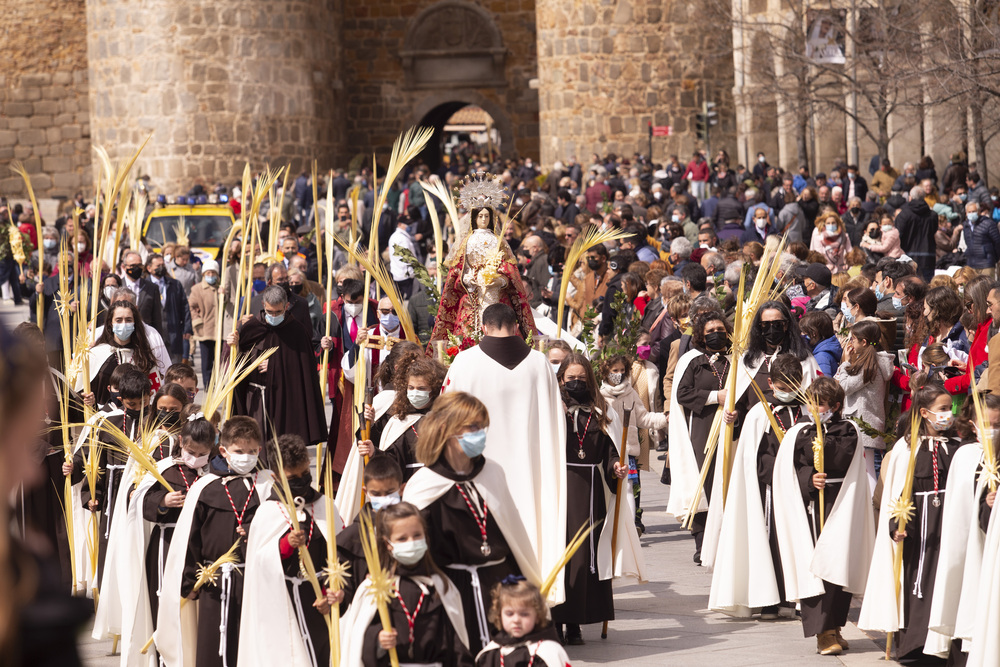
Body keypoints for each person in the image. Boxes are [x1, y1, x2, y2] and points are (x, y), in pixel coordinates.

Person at [442, 304, 566, 608]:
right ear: (516, 327)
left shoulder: (465, 362)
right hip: (532, 471)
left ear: (483, 328)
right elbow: (556, 422)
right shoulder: (539, 364)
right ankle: (534, 600)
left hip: (479, 469)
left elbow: (445, 417)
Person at [401, 392, 542, 653]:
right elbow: (412, 552)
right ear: (446, 429)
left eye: (482, 427)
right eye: (473, 427)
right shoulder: (423, 483)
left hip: (500, 590)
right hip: (451, 592)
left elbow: (512, 535)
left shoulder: (493, 472)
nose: (480, 434)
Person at [0, 322, 93, 664]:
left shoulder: (54, 377)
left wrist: (86, 403)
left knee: (54, 527)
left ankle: (63, 571)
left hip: (54, 464)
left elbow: (77, 417)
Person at [155, 416, 275, 667]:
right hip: (213, 582)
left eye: (252, 451)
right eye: (239, 451)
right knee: (213, 648)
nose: (246, 456)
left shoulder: (268, 484)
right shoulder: (205, 487)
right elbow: (190, 538)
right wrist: (189, 581)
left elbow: (279, 527)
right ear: (223, 450)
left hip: (256, 579)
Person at [859, 382, 966, 662]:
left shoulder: (956, 447)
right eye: (942, 409)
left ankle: (944, 642)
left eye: (950, 409)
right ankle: (914, 644)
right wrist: (897, 525)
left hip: (949, 523)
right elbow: (897, 492)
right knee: (917, 581)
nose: (948, 414)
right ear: (924, 412)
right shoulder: (906, 449)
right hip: (919, 527)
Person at [773, 377, 875, 656]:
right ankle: (822, 632)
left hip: (840, 503)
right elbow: (793, 467)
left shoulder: (847, 429)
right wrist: (808, 479)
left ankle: (835, 626)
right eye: (811, 402)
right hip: (811, 506)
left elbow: (841, 458)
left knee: (837, 564)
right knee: (817, 566)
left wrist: (821, 439)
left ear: (836, 406)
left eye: (821, 403)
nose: (815, 408)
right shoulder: (799, 433)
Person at [118, 410, 217, 665]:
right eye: (191, 452)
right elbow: (139, 499)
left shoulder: (215, 473)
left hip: (201, 550)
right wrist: (162, 501)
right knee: (164, 601)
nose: (195, 459)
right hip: (167, 543)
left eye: (201, 454)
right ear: (182, 443)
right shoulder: (164, 468)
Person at [710, 354, 804, 620]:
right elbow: (755, 455)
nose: (788, 393)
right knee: (772, 540)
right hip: (769, 488)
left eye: (793, 386)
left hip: (800, 486)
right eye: (783, 388)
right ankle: (769, 601)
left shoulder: (806, 409)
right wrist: (779, 469)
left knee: (797, 541)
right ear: (771, 383)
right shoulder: (760, 413)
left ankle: (792, 598)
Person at [240, 433, 342, 667]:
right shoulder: (268, 512)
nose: (301, 480)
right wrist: (285, 545)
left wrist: (331, 592)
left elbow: (339, 554)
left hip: (320, 600)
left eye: (305, 474)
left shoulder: (324, 505)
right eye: (292, 477)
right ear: (275, 477)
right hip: (282, 598)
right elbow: (258, 563)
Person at [555, 354, 635, 644]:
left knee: (584, 558)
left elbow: (610, 450)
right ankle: (555, 623)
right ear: (561, 380)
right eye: (570, 379)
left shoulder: (602, 413)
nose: (576, 384)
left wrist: (616, 465)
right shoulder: (553, 410)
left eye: (581, 379)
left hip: (591, 492)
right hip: (559, 488)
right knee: (559, 555)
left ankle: (575, 622)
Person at [340, 502, 473, 666]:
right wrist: (378, 640)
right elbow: (359, 641)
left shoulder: (441, 587)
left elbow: (457, 645)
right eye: (402, 538)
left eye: (417, 535)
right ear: (388, 544)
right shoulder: (375, 587)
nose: (411, 542)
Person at [927, 394, 1000, 664]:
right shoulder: (965, 455)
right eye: (987, 424)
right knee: (966, 599)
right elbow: (960, 509)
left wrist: (990, 505)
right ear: (972, 424)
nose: (992, 430)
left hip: (991, 545)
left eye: (997, 424)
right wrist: (984, 503)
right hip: (968, 547)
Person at [428, 177, 536, 344]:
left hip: (496, 293)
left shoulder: (497, 241)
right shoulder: (467, 242)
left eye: (487, 216)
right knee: (468, 335)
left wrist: (499, 279)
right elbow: (459, 270)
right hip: (473, 295)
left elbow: (509, 269)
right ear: (474, 218)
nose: (484, 220)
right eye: (480, 216)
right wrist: (470, 279)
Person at [667, 310, 736, 563]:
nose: (716, 334)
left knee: (727, 480)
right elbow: (682, 394)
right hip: (702, 427)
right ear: (701, 336)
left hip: (731, 428)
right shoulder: (693, 360)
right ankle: (702, 541)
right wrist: (714, 397)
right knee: (704, 483)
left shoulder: (734, 359)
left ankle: (727, 540)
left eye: (720, 330)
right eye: (710, 332)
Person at [229, 285, 327, 457]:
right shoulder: (250, 328)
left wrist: (276, 365)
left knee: (281, 451)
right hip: (256, 398)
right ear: (263, 305)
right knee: (256, 447)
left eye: (278, 312)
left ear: (286, 306)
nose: (273, 316)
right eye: (270, 312)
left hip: (285, 400)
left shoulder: (297, 331)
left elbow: (305, 370)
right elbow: (236, 365)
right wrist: (231, 346)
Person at [599, 354, 666, 535]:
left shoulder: (631, 393)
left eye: (622, 370)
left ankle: (628, 527)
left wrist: (664, 419)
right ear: (606, 372)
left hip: (627, 450)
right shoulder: (600, 396)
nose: (619, 374)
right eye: (615, 371)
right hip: (608, 450)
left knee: (629, 487)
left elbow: (643, 417)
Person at [357, 358, 447, 483]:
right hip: (409, 487)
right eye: (411, 387)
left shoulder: (444, 419)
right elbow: (393, 459)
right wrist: (374, 452)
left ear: (435, 390)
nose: (415, 393)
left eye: (421, 389)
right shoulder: (400, 421)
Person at [835, 321, 894, 492]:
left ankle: (873, 508)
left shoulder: (870, 365)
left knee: (869, 472)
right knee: (868, 470)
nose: (850, 343)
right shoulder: (870, 362)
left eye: (853, 339)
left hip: (864, 423)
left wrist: (845, 363)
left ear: (864, 342)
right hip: (867, 422)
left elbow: (844, 387)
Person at [79, 300, 160, 405]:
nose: (124, 324)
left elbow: (154, 393)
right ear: (110, 323)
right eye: (118, 320)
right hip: (101, 417)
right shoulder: (95, 354)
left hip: (137, 417)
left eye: (128, 320)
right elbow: (81, 391)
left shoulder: (144, 356)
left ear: (135, 323)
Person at [476, 578, 571, 667]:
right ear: (499, 615)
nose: (516, 620)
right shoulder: (490, 654)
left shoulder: (548, 654)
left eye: (524, 614)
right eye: (509, 614)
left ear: (537, 616)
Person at [147, 253, 192, 365]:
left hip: (174, 332)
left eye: (162, 265)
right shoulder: (144, 285)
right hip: (153, 334)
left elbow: (184, 307)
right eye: (158, 265)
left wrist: (187, 328)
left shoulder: (175, 284)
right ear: (149, 268)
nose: (161, 268)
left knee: (174, 367)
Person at [188, 259, 220, 388]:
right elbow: (192, 306)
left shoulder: (220, 288)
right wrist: (197, 321)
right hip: (205, 330)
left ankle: (218, 384)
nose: (211, 276)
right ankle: (208, 384)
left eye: (213, 273)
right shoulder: (197, 289)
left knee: (220, 360)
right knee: (206, 361)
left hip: (220, 331)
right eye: (208, 273)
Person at [120, 250, 164, 333]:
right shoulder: (118, 286)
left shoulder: (152, 288)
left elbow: (157, 317)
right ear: (124, 267)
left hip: (146, 335)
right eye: (132, 265)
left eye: (139, 265)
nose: (136, 268)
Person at [962, 201, 1000, 278]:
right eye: (969, 212)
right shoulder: (966, 225)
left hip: (986, 263)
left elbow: (997, 242)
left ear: (979, 212)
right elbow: (967, 242)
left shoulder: (988, 223)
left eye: (973, 211)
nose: (971, 214)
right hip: (971, 263)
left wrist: (995, 258)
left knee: (987, 287)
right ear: (966, 213)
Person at [799, 311, 841, 377]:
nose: (802, 335)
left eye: (804, 332)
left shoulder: (821, 357)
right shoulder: (827, 347)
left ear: (814, 333)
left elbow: (824, 384)